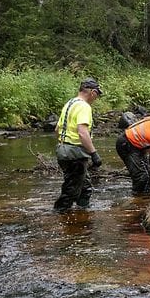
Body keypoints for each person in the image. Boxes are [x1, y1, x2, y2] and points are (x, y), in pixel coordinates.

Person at [54, 78, 103, 212]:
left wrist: (64, 145)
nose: (96, 98)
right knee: (71, 192)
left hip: (62, 150)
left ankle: (82, 214)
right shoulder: (84, 106)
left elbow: (57, 129)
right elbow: (82, 132)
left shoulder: (70, 103)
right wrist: (94, 153)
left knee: (85, 188)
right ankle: (59, 215)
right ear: (92, 92)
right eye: (97, 95)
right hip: (75, 154)